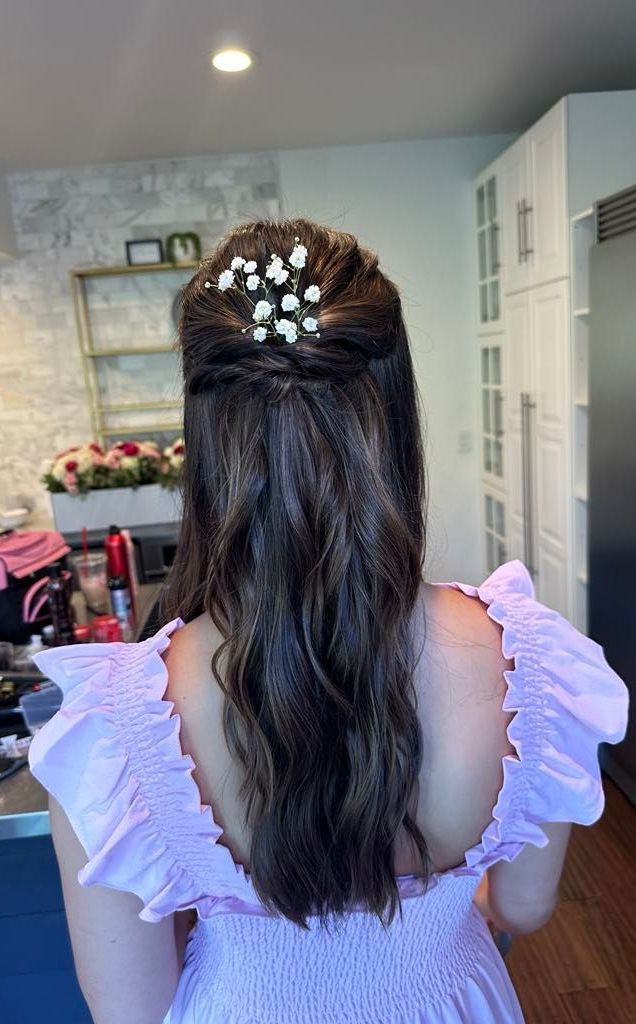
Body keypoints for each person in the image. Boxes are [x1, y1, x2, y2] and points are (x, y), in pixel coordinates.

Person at [29, 219, 629, 1024]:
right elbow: (521, 908)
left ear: (205, 430)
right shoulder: (532, 661)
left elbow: (130, 1010)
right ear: (392, 409)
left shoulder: (113, 724)